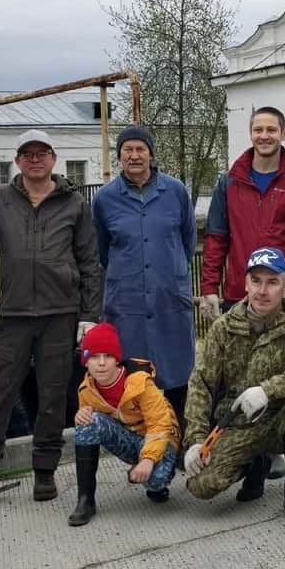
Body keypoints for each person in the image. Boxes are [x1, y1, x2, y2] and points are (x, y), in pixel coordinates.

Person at [0, 129, 102, 507]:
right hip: (13, 315)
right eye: (27, 154)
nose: (34, 159)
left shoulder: (74, 204)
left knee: (52, 395)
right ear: (17, 161)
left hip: (61, 314)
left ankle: (44, 472)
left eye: (42, 153)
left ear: (53, 159)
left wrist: (90, 315)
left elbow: (90, 261)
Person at [201, 105, 285, 479]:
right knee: (239, 373)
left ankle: (278, 447)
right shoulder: (229, 182)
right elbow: (216, 239)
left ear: (283, 134)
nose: (264, 136)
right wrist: (209, 289)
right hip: (240, 291)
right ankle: (245, 450)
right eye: (257, 129)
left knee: (280, 372)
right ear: (250, 134)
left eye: (271, 129)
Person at [182, 247, 285, 516]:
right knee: (201, 483)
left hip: (284, 415)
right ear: (246, 284)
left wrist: (267, 390)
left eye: (272, 282)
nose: (263, 290)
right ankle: (253, 465)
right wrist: (196, 440)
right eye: (256, 281)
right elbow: (201, 383)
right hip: (239, 422)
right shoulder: (223, 328)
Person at [92, 125, 195, 429]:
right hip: (127, 303)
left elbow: (187, 241)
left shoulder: (175, 191)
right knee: (133, 377)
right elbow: (101, 251)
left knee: (176, 373)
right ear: (120, 155)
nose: (134, 156)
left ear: (151, 154)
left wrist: (170, 272)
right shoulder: (105, 200)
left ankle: (178, 443)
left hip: (169, 299)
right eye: (128, 150)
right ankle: (143, 447)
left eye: (140, 149)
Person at [67, 322, 181, 526]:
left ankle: (164, 471)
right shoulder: (86, 389)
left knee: (155, 482)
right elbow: (89, 422)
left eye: (108, 356)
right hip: (130, 439)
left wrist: (147, 459)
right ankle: (85, 500)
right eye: (94, 356)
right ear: (85, 361)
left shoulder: (140, 382)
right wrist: (80, 415)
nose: (101, 363)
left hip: (161, 439)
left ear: (117, 359)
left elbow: (160, 424)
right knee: (87, 422)